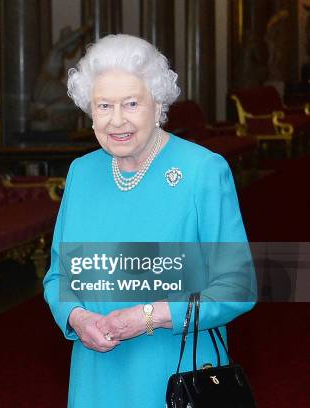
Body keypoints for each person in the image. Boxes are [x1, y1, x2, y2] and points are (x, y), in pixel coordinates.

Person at [43, 34, 256, 407]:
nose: (117, 120)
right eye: (104, 105)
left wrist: (149, 316)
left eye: (131, 103)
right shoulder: (82, 172)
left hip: (175, 372)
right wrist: (76, 317)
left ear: (158, 104)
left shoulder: (202, 171)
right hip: (95, 373)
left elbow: (237, 286)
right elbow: (59, 275)